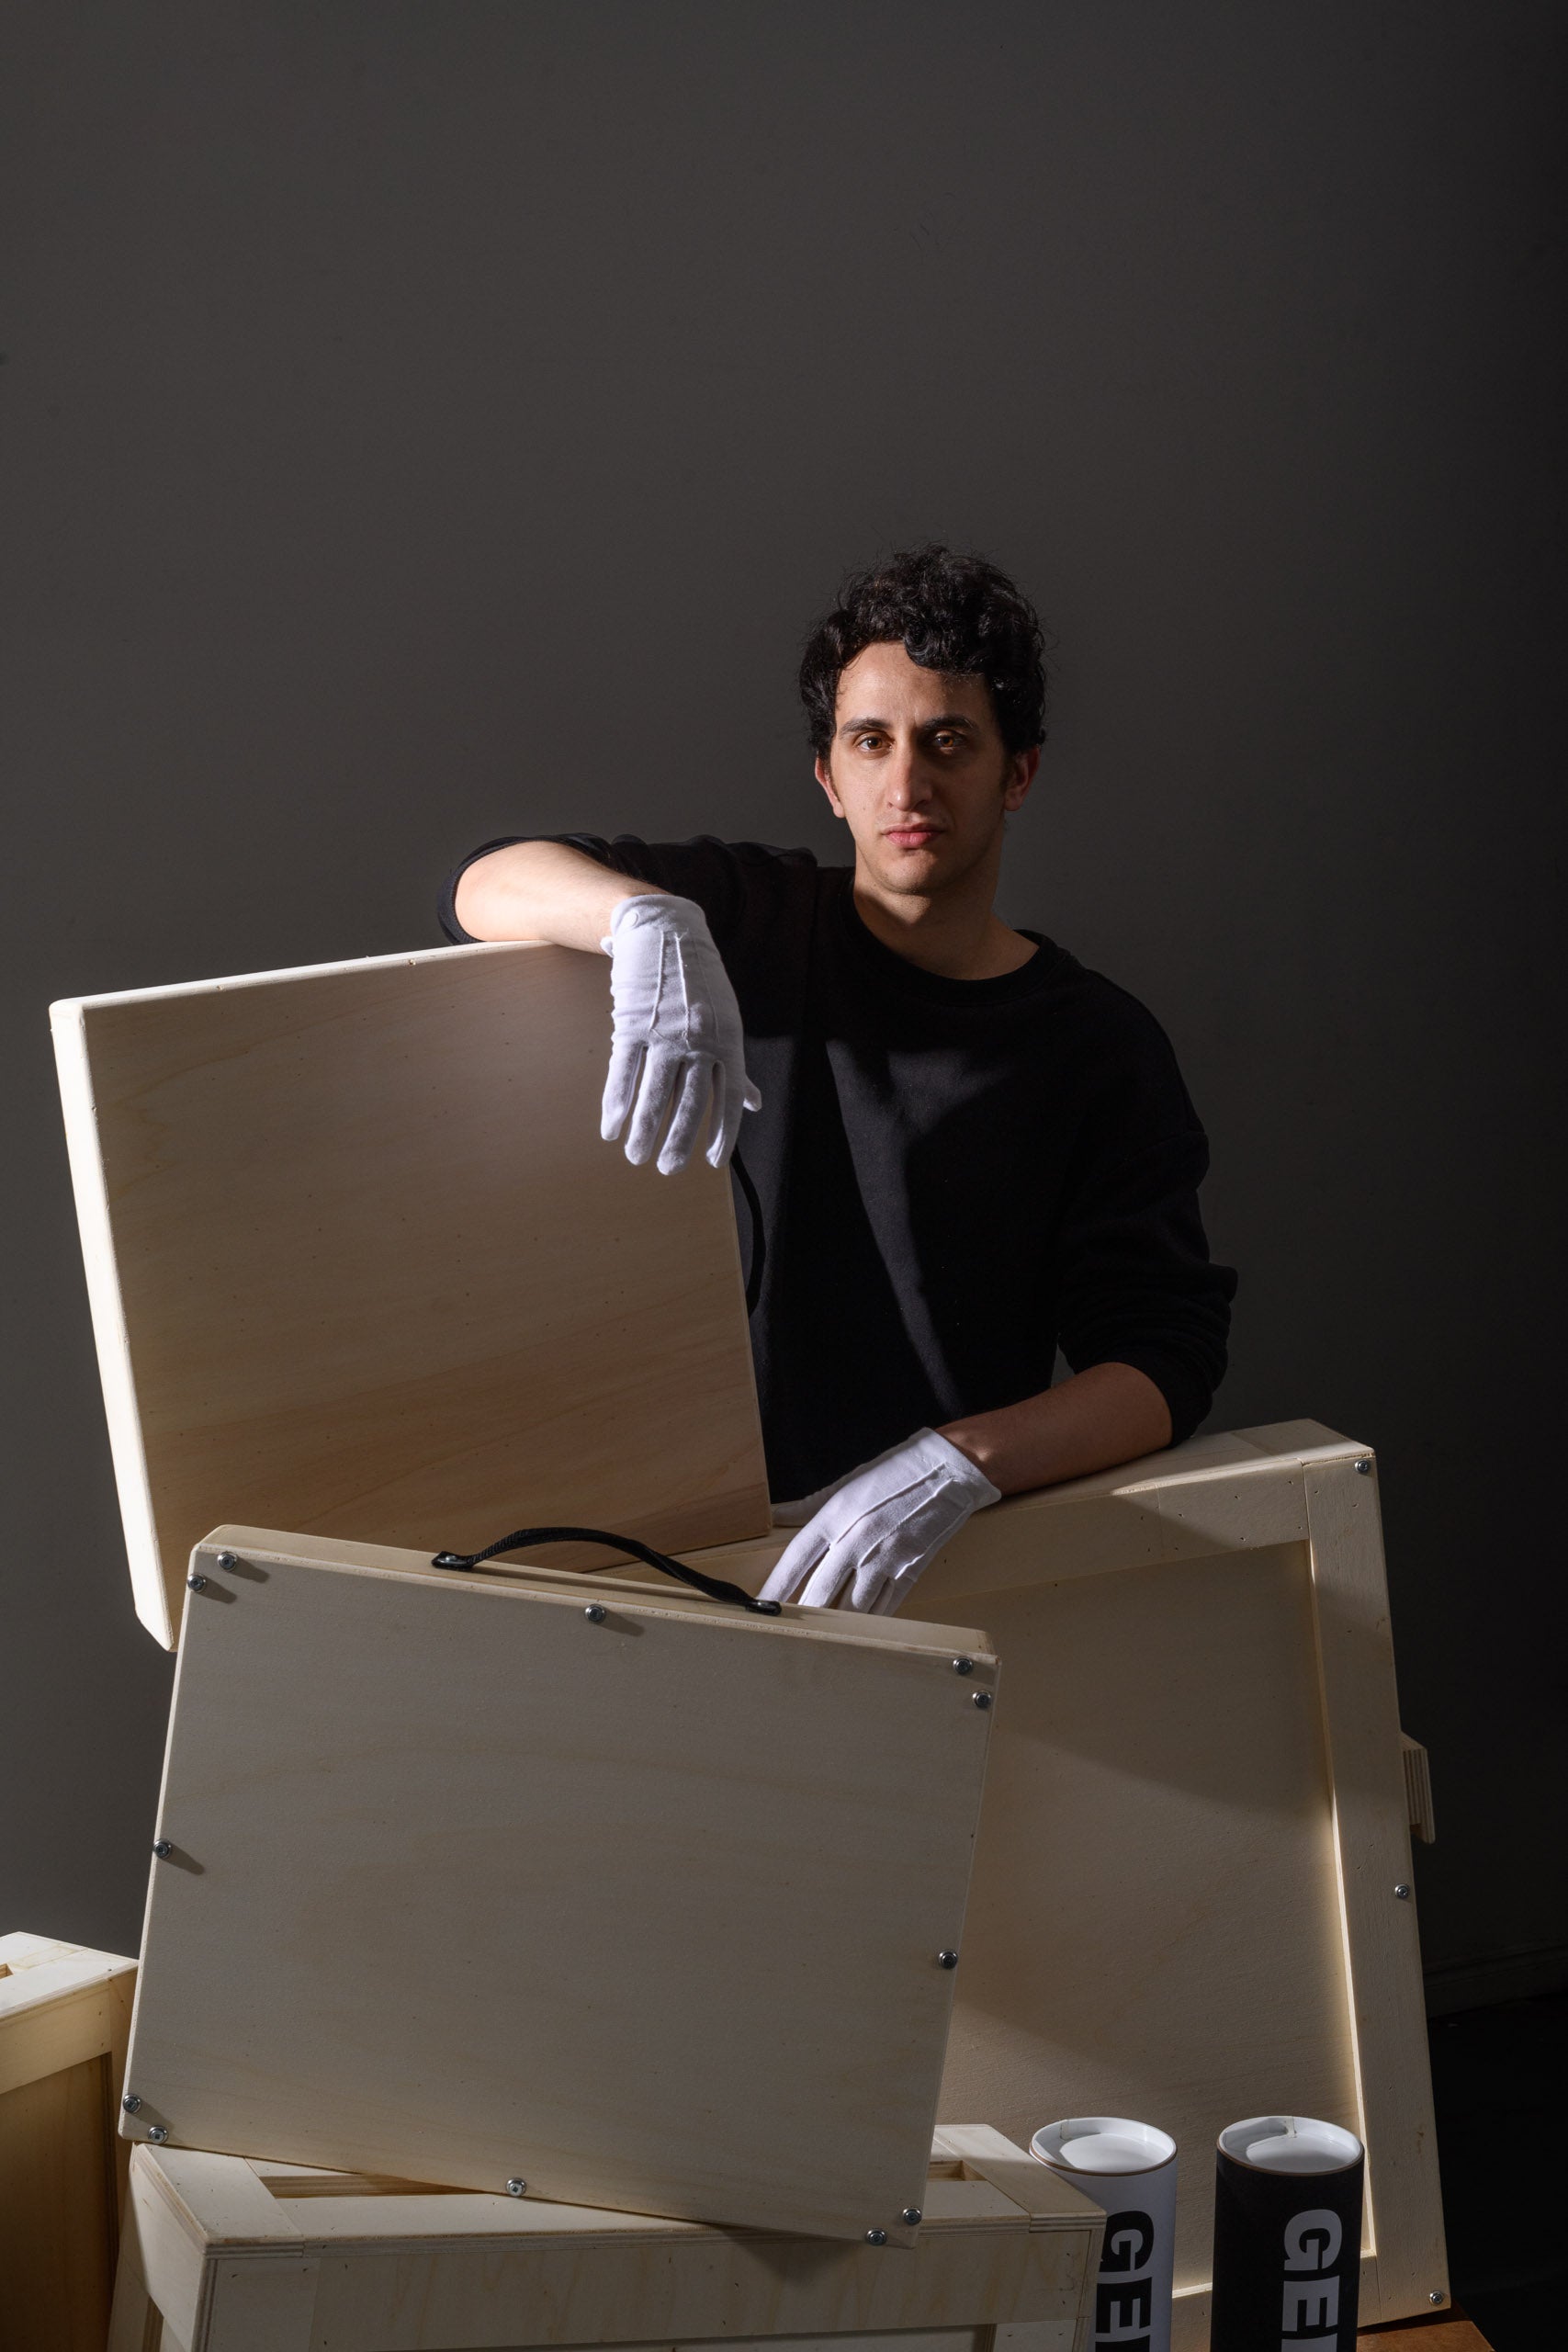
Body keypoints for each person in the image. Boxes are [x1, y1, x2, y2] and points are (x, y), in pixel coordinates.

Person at [441, 546, 1235, 1615]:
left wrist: (962, 1464)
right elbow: (483, 883)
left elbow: (1164, 1361)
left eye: (948, 741)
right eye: (872, 742)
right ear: (829, 777)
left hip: (917, 1577)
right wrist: (644, 920)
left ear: (1018, 773)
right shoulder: (747, 922)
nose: (906, 784)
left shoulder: (1096, 1045)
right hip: (651, 1557)